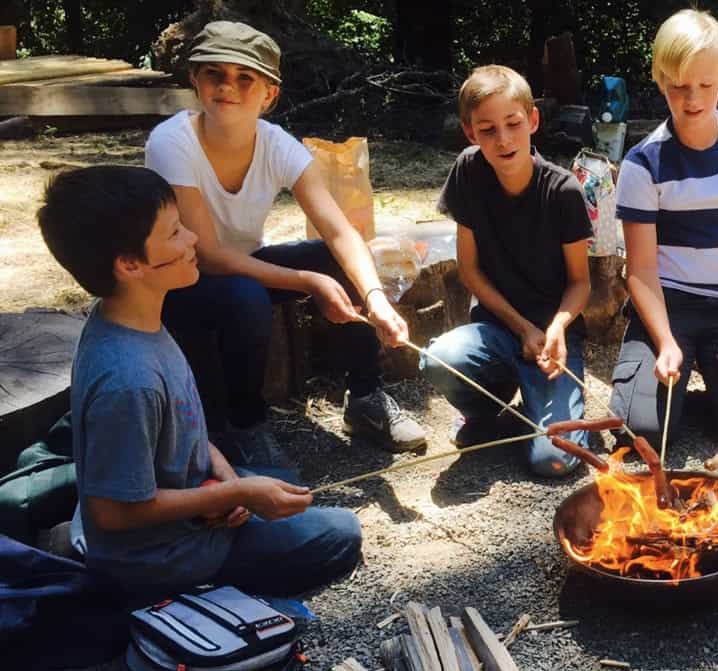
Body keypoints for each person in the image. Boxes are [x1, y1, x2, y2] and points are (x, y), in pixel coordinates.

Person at [37, 165, 362, 601]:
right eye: (174, 233)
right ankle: (172, 587)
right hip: (158, 556)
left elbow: (184, 422)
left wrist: (227, 481)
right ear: (130, 264)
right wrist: (235, 492)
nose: (192, 239)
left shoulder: (135, 316)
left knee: (282, 480)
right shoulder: (127, 379)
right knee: (342, 533)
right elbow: (113, 512)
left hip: (192, 501)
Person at [144, 20, 425, 462]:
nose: (227, 87)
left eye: (244, 78)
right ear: (195, 80)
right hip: (182, 281)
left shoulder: (278, 145)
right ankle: (245, 426)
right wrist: (310, 283)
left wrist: (377, 300)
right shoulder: (171, 143)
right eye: (214, 73)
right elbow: (209, 255)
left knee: (333, 258)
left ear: (268, 94)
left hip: (244, 266)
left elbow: (339, 231)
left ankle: (366, 398)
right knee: (245, 294)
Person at [608, 9, 718, 446]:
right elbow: (641, 270)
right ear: (660, 81)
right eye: (679, 87)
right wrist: (666, 342)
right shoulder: (642, 164)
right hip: (667, 307)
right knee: (639, 434)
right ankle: (677, 382)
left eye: (705, 86)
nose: (693, 99)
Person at [424, 65, 593, 477]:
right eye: (487, 129)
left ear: (533, 120)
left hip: (553, 341)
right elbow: (470, 270)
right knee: (439, 358)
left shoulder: (563, 190)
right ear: (470, 133)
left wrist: (554, 330)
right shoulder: (468, 171)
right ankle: (485, 410)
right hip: (499, 327)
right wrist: (521, 329)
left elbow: (580, 282)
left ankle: (542, 407)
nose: (503, 139)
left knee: (554, 460)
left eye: (513, 124)